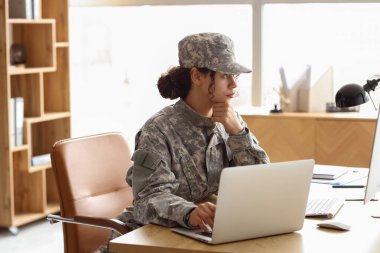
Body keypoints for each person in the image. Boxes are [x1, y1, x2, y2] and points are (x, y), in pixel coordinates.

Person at [117, 32, 270, 236]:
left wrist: (238, 133)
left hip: (201, 234)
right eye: (224, 75)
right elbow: (148, 199)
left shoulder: (230, 121)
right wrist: (190, 213)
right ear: (197, 76)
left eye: (236, 76)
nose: (234, 84)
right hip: (150, 237)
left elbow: (261, 183)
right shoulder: (158, 129)